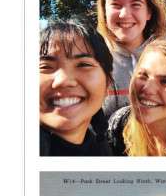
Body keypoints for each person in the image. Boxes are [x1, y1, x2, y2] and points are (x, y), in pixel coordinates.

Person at [96, 0, 166, 117]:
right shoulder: (91, 59)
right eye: (116, 4)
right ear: (104, 10)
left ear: (148, 12)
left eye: (135, 4)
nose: (125, 14)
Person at [39, 18, 114, 156]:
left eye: (83, 65)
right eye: (45, 67)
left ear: (108, 84)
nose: (63, 81)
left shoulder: (103, 152)